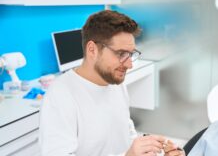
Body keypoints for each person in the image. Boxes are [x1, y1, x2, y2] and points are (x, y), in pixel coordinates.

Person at [39, 10, 177, 156]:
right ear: (92, 50)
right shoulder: (60, 95)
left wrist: (148, 149)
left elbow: (126, 129)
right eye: (121, 54)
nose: (129, 64)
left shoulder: (114, 81)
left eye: (130, 54)